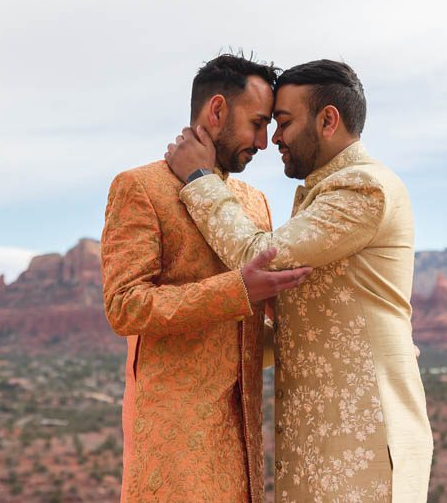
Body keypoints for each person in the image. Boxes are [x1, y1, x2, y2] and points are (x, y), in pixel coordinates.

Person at [166, 59, 433, 502]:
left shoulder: (362, 188)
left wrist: (198, 178)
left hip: (363, 436)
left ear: (328, 120)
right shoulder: (322, 194)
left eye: (284, 122)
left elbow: (258, 257)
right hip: (328, 439)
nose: (274, 139)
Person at [101, 54, 310, 503]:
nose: (263, 140)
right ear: (216, 111)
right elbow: (125, 306)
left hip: (246, 446)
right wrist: (237, 291)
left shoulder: (255, 203)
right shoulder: (140, 188)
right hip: (174, 450)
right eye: (255, 123)